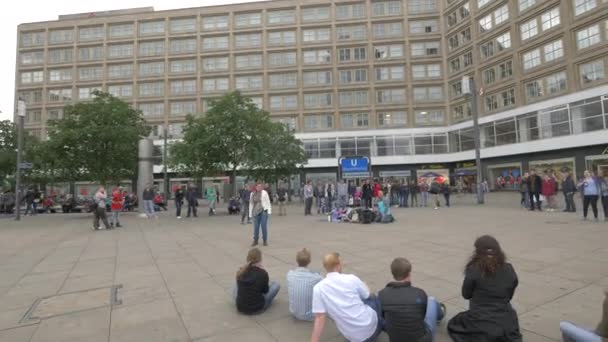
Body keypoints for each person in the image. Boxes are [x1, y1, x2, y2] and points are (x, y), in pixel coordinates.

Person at [448, 235, 522, 342]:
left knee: (456, 322)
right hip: (506, 321)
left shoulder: (474, 269)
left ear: (477, 252)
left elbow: (466, 295)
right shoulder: (509, 268)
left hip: (480, 319)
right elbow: (509, 295)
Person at [310, 252, 382, 342]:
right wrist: (365, 286)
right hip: (370, 328)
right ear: (338, 265)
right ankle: (382, 322)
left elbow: (320, 317)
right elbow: (366, 295)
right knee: (373, 298)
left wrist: (314, 340)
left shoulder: (318, 288)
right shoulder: (351, 278)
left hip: (351, 335)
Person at [379, 257, 446, 342]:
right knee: (431, 300)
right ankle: (440, 314)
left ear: (393, 274)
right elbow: (422, 315)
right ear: (409, 274)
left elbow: (382, 316)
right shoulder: (419, 293)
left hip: (396, 339)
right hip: (423, 339)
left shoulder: (382, 294)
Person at [235, 248, 280, 315]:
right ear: (260, 259)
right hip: (257, 308)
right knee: (276, 285)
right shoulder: (263, 273)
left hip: (241, 307)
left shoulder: (241, 271)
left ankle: (243, 299)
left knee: (235, 286)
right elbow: (265, 291)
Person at [287, 248, 322, 321]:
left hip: (294, 312)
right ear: (309, 261)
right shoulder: (316, 278)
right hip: (310, 315)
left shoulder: (290, 274)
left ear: (297, 260)